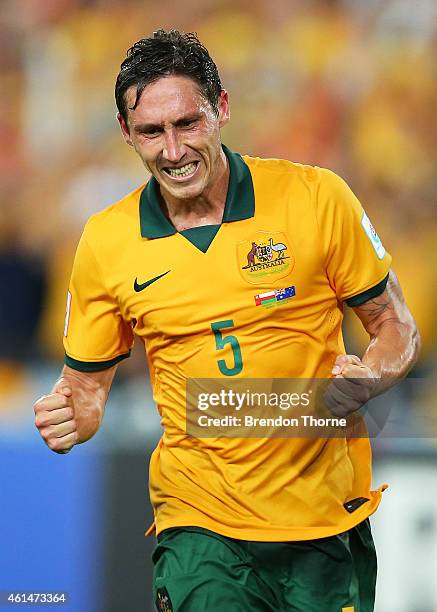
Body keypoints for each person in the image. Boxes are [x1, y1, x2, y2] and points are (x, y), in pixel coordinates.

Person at [34, 29, 420, 611]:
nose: (172, 150)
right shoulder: (107, 242)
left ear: (222, 108)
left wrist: (370, 374)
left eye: (187, 124)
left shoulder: (315, 198)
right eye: (150, 132)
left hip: (323, 526)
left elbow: (395, 326)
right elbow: (86, 390)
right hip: (198, 525)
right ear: (125, 133)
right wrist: (72, 417)